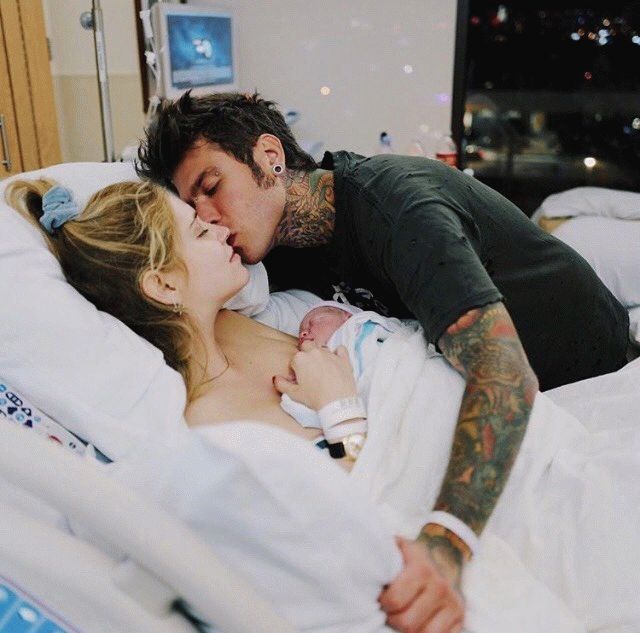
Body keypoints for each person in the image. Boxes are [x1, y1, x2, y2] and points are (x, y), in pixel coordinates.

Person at [6, 178, 640, 633]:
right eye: (199, 230)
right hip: (449, 499)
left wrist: (352, 328)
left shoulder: (254, 317)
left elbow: (386, 345)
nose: (220, 227)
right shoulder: (208, 417)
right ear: (164, 282)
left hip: (522, 441)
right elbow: (335, 512)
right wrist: (342, 413)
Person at [135, 91, 629, 626]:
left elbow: (502, 371)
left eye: (211, 188)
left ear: (270, 157)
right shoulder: (273, 252)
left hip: (579, 363)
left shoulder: (396, 206)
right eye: (193, 210)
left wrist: (446, 543)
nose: (208, 218)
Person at [280, 300, 404, 447]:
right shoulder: (314, 361)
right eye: (301, 332)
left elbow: (399, 336)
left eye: (316, 320)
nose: (303, 332)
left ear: (348, 316)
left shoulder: (362, 327)